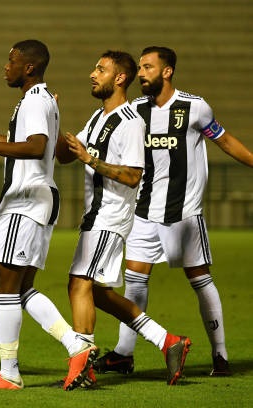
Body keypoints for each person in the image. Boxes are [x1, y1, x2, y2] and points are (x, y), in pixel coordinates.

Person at [94, 46, 253, 377]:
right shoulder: (136, 110)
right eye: (139, 67)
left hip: (184, 213)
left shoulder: (195, 108)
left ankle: (220, 357)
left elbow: (225, 141)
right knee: (135, 282)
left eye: (148, 67)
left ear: (167, 72)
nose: (142, 73)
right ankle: (124, 354)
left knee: (200, 280)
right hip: (143, 210)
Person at [56, 50, 191, 390]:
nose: (92, 74)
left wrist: (91, 160)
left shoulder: (130, 121)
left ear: (119, 78)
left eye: (100, 69)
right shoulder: (98, 118)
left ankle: (82, 364)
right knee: (97, 293)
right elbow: (65, 156)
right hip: (95, 216)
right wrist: (52, 120)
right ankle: (168, 340)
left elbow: (132, 176)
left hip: (110, 215)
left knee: (79, 284)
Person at [0, 40, 81, 390]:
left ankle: (9, 373)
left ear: (28, 67)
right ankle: (76, 345)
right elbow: (15, 142)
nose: (4, 67)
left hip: (25, 202)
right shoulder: (35, 100)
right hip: (36, 199)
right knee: (22, 287)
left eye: (11, 61)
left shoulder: (37, 100)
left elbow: (37, 147)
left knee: (5, 286)